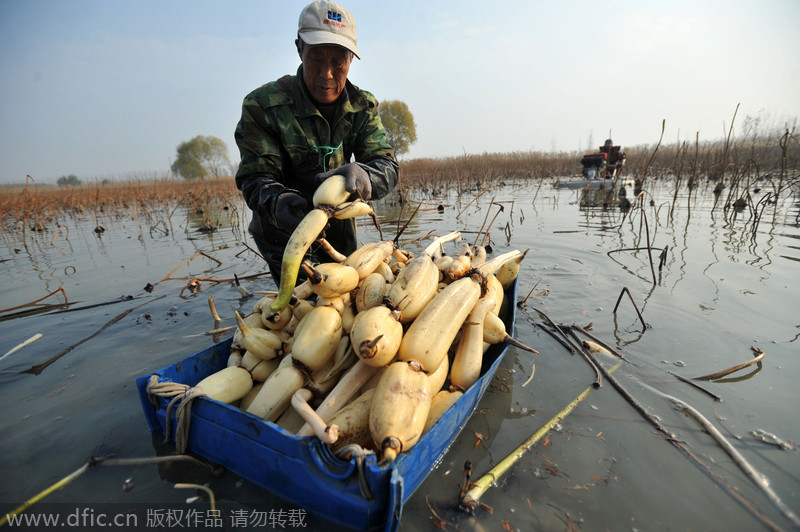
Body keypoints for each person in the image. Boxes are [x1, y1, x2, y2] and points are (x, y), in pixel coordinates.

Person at [234, 0, 398, 282]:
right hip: (282, 230)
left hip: (338, 224)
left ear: (350, 59)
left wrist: (366, 176)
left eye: (338, 61)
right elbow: (255, 177)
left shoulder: (362, 106)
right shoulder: (263, 106)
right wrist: (278, 202)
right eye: (317, 58)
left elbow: (387, 165)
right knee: (301, 299)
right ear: (299, 49)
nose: (328, 74)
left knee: (347, 292)